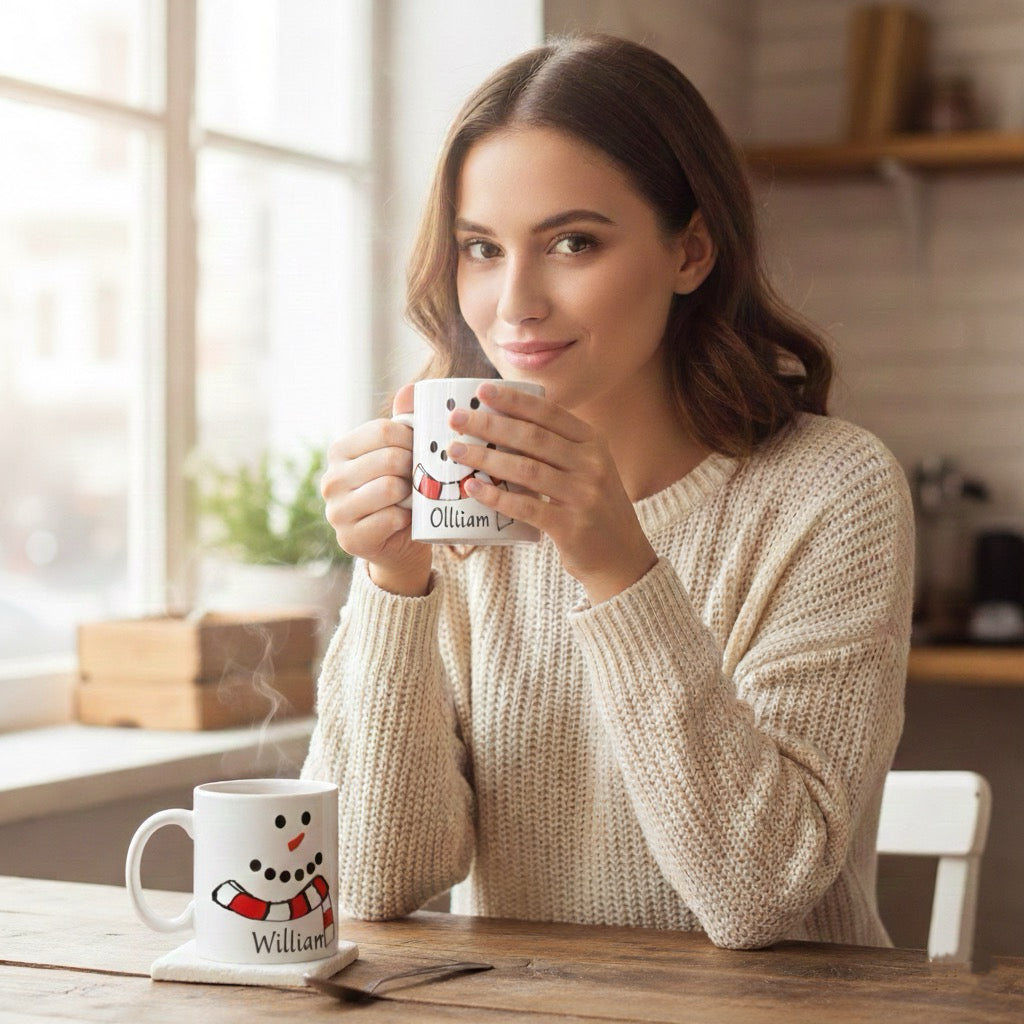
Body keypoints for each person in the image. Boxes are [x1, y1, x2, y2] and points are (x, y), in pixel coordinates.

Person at [302, 33, 914, 951]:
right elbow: (379, 879)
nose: (515, 304)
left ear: (691, 252)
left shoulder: (832, 490)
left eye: (573, 243)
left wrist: (618, 568)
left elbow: (757, 893)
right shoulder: (459, 506)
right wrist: (395, 585)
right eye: (480, 248)